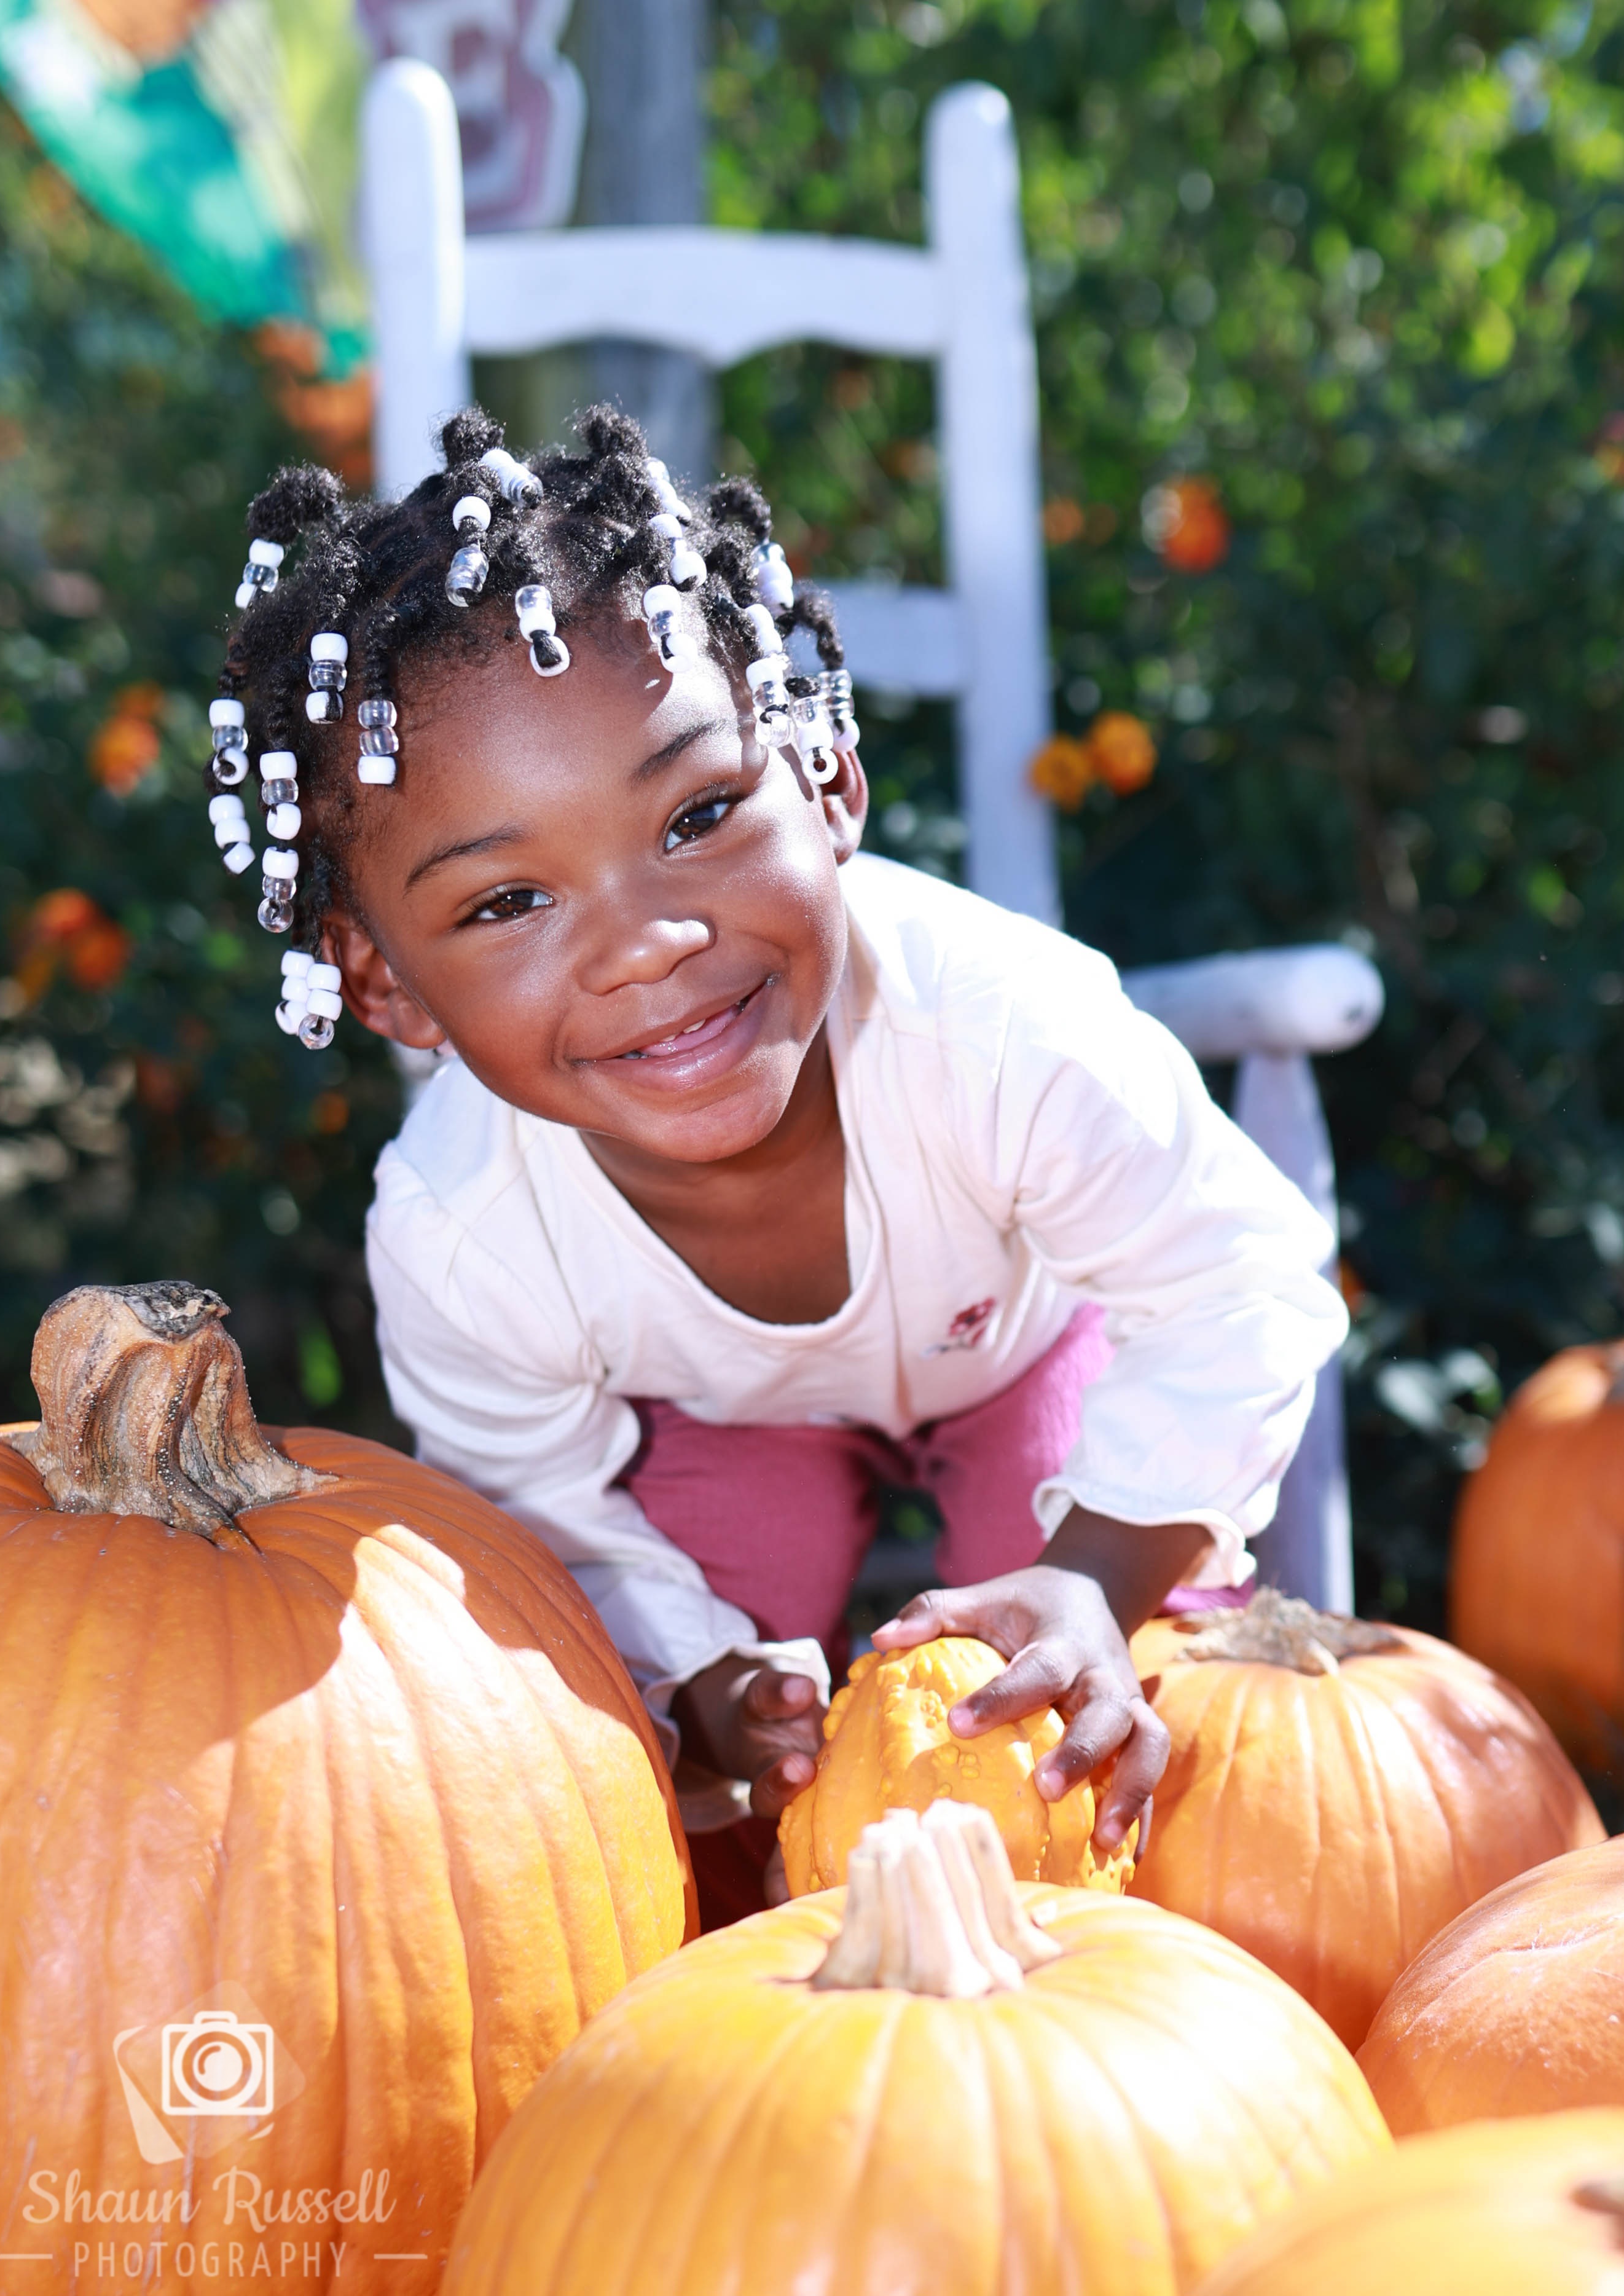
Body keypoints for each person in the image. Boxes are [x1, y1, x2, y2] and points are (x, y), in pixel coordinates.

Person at [199, 404, 1346, 1921]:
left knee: (1066, 1679)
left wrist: (1097, 1570)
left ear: (823, 775)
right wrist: (697, 1672)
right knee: (665, 1666)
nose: (647, 942)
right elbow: (533, 1498)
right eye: (506, 901)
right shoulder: (463, 1228)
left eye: (697, 813)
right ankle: (744, 1952)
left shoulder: (996, 1025)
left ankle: (1116, 1955)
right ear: (384, 983)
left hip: (1018, 1346)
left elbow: (1230, 1278)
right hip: (722, 1418)